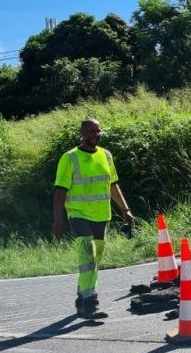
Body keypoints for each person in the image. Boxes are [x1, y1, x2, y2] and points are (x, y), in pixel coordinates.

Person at [52, 118, 133, 319]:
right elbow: (60, 191)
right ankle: (90, 303)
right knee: (87, 254)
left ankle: (82, 296)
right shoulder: (69, 158)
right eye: (91, 131)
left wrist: (125, 209)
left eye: (98, 131)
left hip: (101, 215)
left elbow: (113, 186)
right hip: (78, 214)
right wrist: (58, 219)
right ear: (81, 133)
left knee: (94, 260)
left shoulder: (106, 155)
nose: (95, 135)